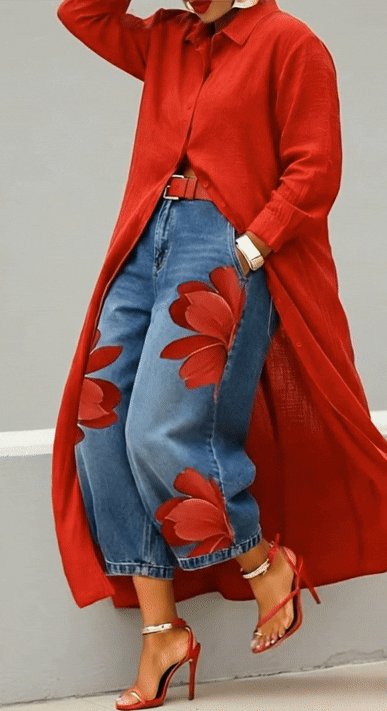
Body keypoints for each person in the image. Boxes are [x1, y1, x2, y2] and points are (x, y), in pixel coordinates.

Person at [53, 1, 387, 709]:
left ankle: (264, 563)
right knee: (98, 424)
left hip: (221, 244)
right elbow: (80, 13)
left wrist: (253, 245)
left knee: (158, 430)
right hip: (146, 236)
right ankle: (162, 631)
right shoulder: (168, 40)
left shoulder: (289, 43)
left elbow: (315, 166)